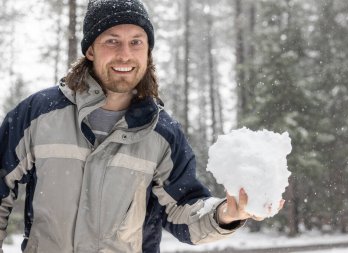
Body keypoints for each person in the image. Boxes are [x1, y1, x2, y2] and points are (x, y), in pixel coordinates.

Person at [0, 0, 267, 252]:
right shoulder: (38, 114)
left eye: (135, 42)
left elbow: (182, 209)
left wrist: (227, 214)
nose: (125, 54)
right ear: (90, 49)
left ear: (147, 49)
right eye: (112, 41)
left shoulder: (162, 133)